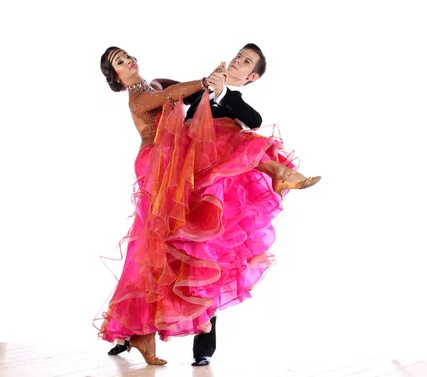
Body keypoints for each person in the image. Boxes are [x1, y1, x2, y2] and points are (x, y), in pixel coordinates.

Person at [94, 46, 319, 366]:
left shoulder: (154, 84)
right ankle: (135, 330)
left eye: (126, 55)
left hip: (182, 162)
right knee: (156, 248)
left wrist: (215, 83)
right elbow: (179, 92)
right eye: (119, 62)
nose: (128, 60)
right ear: (115, 76)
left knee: (175, 250)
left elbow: (188, 94)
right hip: (160, 164)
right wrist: (205, 81)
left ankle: (138, 332)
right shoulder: (140, 97)